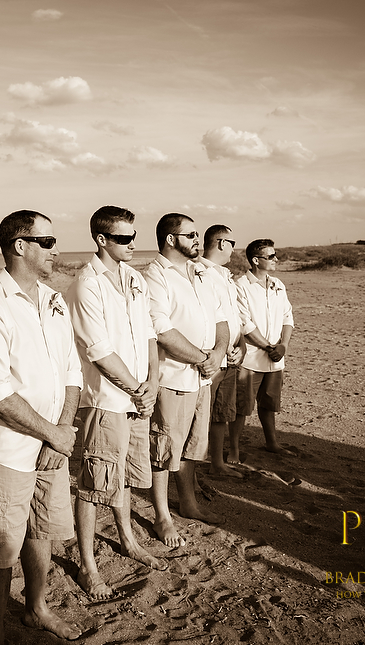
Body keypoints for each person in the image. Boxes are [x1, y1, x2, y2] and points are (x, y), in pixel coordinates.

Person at [0, 211, 82, 644]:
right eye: (47, 242)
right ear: (20, 246)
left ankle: (37, 608)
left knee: (41, 530)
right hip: (9, 449)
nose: (56, 249)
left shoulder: (53, 300)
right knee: (1, 544)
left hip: (54, 442)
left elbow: (71, 370)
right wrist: (53, 434)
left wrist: (62, 430)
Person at [64, 206, 166, 600]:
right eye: (123, 238)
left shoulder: (134, 278)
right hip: (105, 399)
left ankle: (128, 538)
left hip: (138, 396)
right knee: (94, 483)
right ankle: (88, 565)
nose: (132, 243)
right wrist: (138, 389)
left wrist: (152, 381)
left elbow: (149, 334)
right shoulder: (85, 285)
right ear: (101, 239)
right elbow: (99, 351)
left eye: (133, 236)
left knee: (122, 475)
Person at [143, 214, 229, 548]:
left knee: (193, 445)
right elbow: (161, 330)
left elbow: (221, 318)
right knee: (164, 449)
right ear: (170, 239)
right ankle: (162, 516)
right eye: (190, 234)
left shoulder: (201, 272)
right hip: (174, 377)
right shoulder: (154, 275)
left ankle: (189, 503)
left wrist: (218, 353)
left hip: (203, 378)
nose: (197, 239)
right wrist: (203, 359)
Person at [233, 239, 296, 458]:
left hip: (276, 358)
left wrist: (283, 346)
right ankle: (234, 450)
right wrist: (270, 347)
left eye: (275, 255)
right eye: (270, 256)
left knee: (269, 404)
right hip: (250, 359)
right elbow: (245, 323)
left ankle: (272, 443)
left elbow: (288, 316)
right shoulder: (240, 285)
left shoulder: (278, 284)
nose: (275, 259)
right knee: (241, 407)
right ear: (255, 260)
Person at [199, 225, 247, 477]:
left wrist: (241, 346)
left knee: (221, 413)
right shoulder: (200, 273)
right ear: (220, 243)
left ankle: (217, 463)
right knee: (200, 416)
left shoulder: (225, 275)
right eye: (232, 243)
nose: (234, 249)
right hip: (212, 357)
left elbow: (233, 317)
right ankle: (191, 468)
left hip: (231, 357)